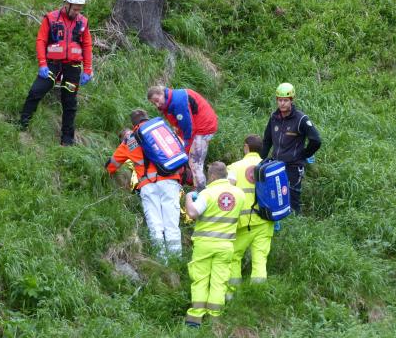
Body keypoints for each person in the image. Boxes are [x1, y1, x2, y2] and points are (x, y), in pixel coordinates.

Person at [19, 0, 93, 146]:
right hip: (52, 65)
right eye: (75, 9)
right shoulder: (51, 18)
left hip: (73, 67)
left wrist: (87, 69)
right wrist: (42, 63)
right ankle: (22, 124)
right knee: (35, 91)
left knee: (70, 103)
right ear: (66, 4)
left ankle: (67, 139)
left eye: (79, 9)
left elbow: (87, 45)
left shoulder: (82, 22)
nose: (77, 12)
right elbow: (41, 41)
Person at [105, 109, 182, 260]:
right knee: (172, 224)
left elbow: (112, 165)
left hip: (148, 185)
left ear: (133, 124)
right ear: (147, 118)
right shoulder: (162, 130)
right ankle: (176, 260)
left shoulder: (129, 141)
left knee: (155, 226)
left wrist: (105, 173)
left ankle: (162, 261)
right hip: (170, 181)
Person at [184, 161, 245, 328]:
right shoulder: (239, 194)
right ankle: (214, 318)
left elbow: (192, 212)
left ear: (211, 176)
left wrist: (188, 197)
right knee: (220, 281)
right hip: (226, 245)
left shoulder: (207, 193)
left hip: (204, 244)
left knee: (200, 279)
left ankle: (195, 319)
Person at [261, 83, 321, 214]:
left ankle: (295, 224)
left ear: (291, 100)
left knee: (293, 200)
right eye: (279, 100)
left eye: (285, 100)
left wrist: (304, 154)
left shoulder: (301, 119)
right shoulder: (274, 117)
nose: (282, 103)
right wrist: (261, 159)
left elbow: (316, 140)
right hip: (276, 165)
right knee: (275, 198)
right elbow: (267, 140)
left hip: (293, 166)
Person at [226, 134, 274, 299]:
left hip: (242, 222)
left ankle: (233, 295)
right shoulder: (268, 166)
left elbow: (228, 191)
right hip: (265, 221)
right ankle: (257, 297)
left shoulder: (235, 167)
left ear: (246, 147)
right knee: (260, 258)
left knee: (234, 257)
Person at [147, 85, 218, 192]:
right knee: (192, 159)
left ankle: (201, 192)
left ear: (162, 93)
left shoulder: (178, 100)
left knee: (195, 162)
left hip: (203, 128)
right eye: (154, 103)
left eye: (157, 100)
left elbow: (188, 127)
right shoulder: (169, 102)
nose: (157, 104)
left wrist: (187, 147)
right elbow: (179, 124)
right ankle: (198, 185)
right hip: (199, 126)